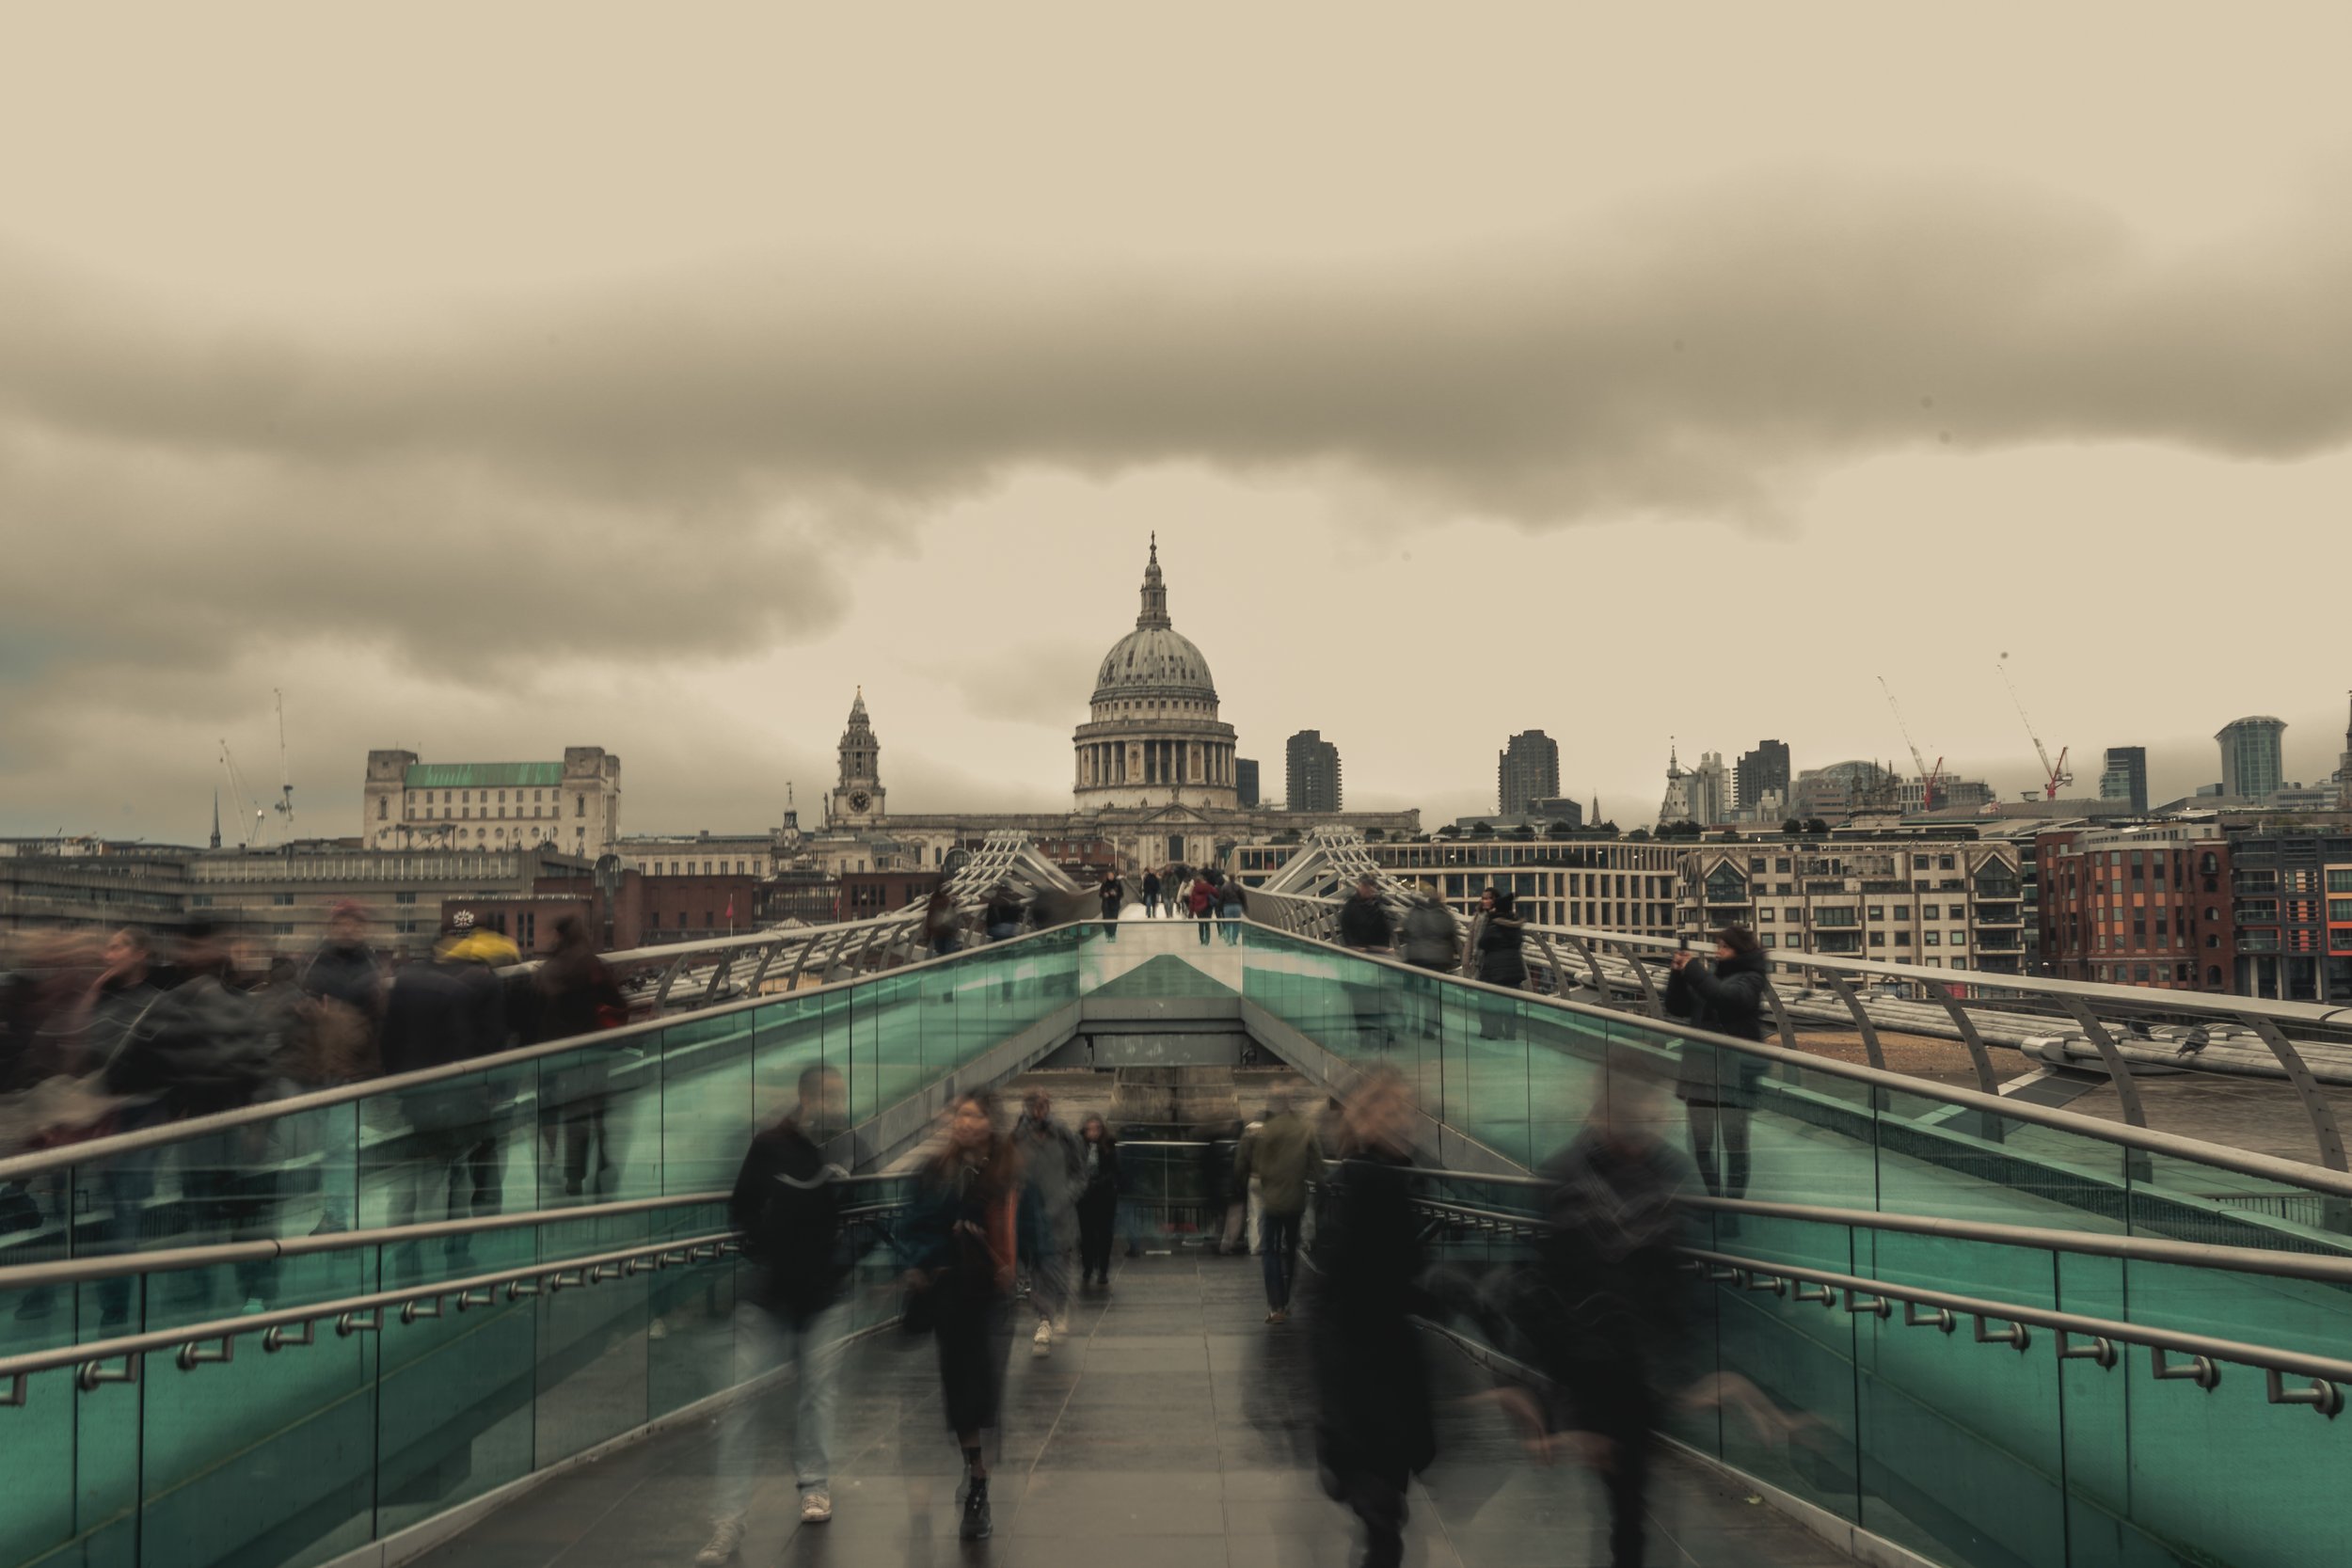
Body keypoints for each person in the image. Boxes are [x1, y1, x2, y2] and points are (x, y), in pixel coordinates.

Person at [699, 1066, 851, 1561]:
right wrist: (768, 1250)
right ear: (809, 1097)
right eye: (831, 1095)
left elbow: (859, 1210)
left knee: (817, 1395)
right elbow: (741, 1208)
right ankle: (728, 1520)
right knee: (741, 1403)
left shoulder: (847, 1147)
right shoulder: (770, 1145)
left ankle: (814, 1484)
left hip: (823, 1297)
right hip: (770, 1296)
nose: (838, 1104)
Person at [1312, 1066, 1435, 1568]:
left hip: (1361, 1370)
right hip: (1371, 1371)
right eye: (1389, 1111)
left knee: (1381, 1519)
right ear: (1366, 1119)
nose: (1402, 1121)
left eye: (1405, 1111)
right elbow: (1374, 1277)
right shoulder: (1373, 1182)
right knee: (1384, 1518)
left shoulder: (1354, 1178)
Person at [899, 1091, 1022, 1542]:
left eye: (973, 1115)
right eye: (960, 1115)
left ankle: (979, 1479)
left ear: (991, 1121)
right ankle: (976, 1475)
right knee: (960, 1386)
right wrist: (925, 1259)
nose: (963, 1122)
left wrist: (1029, 1263)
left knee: (984, 1384)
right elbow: (914, 1225)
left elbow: (1029, 1226)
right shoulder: (935, 1172)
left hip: (993, 1295)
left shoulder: (1008, 1172)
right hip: (951, 1292)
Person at [378, 911, 516, 1277]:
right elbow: (487, 1041)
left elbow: (390, 1039)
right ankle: (456, 1252)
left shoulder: (409, 981)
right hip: (460, 1096)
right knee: (456, 1176)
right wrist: (493, 1090)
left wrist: (398, 1084)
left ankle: (406, 1260)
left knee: (412, 1180)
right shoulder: (481, 981)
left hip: (413, 1095)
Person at [1668, 927, 1772, 1206]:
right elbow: (1677, 1008)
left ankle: (1733, 1206)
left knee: (1734, 1145)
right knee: (1700, 1142)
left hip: (1734, 1074)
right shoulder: (1714, 977)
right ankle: (1715, 1199)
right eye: (1717, 946)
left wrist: (1693, 970)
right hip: (1700, 1071)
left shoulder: (1751, 978)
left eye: (1723, 947)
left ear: (1739, 950)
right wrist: (1678, 974)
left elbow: (1726, 998)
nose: (1717, 952)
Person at [535, 914, 628, 1199]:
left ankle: (570, 1174)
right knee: (592, 1112)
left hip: (554, 1054)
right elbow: (617, 1001)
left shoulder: (548, 969)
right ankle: (593, 1164)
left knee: (566, 1114)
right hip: (592, 1049)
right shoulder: (590, 965)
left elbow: (534, 1011)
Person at [1234, 1088, 1322, 1324]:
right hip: (1295, 1199)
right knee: (1291, 1250)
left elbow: (1256, 1164)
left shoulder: (1265, 1130)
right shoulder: (1305, 1128)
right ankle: (1286, 1300)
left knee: (1269, 1251)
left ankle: (1276, 1306)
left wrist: (1247, 1178)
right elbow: (1318, 1164)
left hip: (1271, 1199)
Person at [1010, 1088, 1083, 1352]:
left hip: (1062, 1216)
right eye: (1033, 1105)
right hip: (1033, 1218)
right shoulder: (1019, 1139)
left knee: (1062, 1266)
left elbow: (1079, 1174)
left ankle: (1060, 1310)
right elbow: (1010, 1174)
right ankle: (1044, 1319)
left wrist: (1065, 1198)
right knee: (1038, 1270)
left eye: (1043, 1104)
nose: (1039, 1110)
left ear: (1049, 1106)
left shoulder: (1064, 1136)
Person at [1399, 883, 1460, 1039]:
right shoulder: (1445, 914)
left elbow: (1408, 931)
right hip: (1438, 961)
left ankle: (1414, 1023)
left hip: (1416, 958)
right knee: (1433, 996)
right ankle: (1430, 1027)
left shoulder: (1415, 912)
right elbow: (1450, 933)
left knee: (1413, 994)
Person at [1471, 887, 1527, 1038]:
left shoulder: (1494, 924)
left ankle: (1492, 1031)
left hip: (1494, 969)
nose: (1485, 901)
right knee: (1511, 1004)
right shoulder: (1516, 925)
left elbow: (1482, 943)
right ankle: (1510, 1033)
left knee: (1492, 1000)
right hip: (1514, 969)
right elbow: (1519, 942)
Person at [1074, 1113, 1121, 1289]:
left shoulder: (1109, 1145)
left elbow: (1114, 1171)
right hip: (1085, 1198)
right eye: (1090, 1129)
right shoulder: (1078, 1146)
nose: (1093, 1132)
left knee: (1105, 1235)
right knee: (1086, 1235)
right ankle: (1087, 1267)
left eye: (1096, 1129)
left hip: (1104, 1198)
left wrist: (1099, 1182)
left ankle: (1102, 1270)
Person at [923, 888, 961, 958]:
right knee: (949, 956)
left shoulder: (933, 901)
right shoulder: (946, 900)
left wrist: (928, 935)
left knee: (941, 955)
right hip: (949, 932)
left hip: (938, 933)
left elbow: (930, 916)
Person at [1187, 870, 1216, 943]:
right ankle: (1207, 940)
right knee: (1207, 924)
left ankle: (1202, 939)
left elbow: (1192, 901)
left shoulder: (1194, 889)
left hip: (1198, 909)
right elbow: (1216, 894)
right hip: (1208, 908)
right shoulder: (1208, 886)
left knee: (1201, 924)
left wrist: (1191, 912)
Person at [1217, 877, 1247, 945]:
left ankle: (1229, 938)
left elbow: (1221, 898)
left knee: (1228, 923)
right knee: (1236, 924)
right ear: (1235, 879)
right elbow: (1243, 897)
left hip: (1227, 906)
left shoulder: (1224, 887)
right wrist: (1245, 907)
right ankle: (1234, 939)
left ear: (1228, 879)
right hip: (1237, 906)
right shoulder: (1239, 887)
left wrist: (1219, 908)